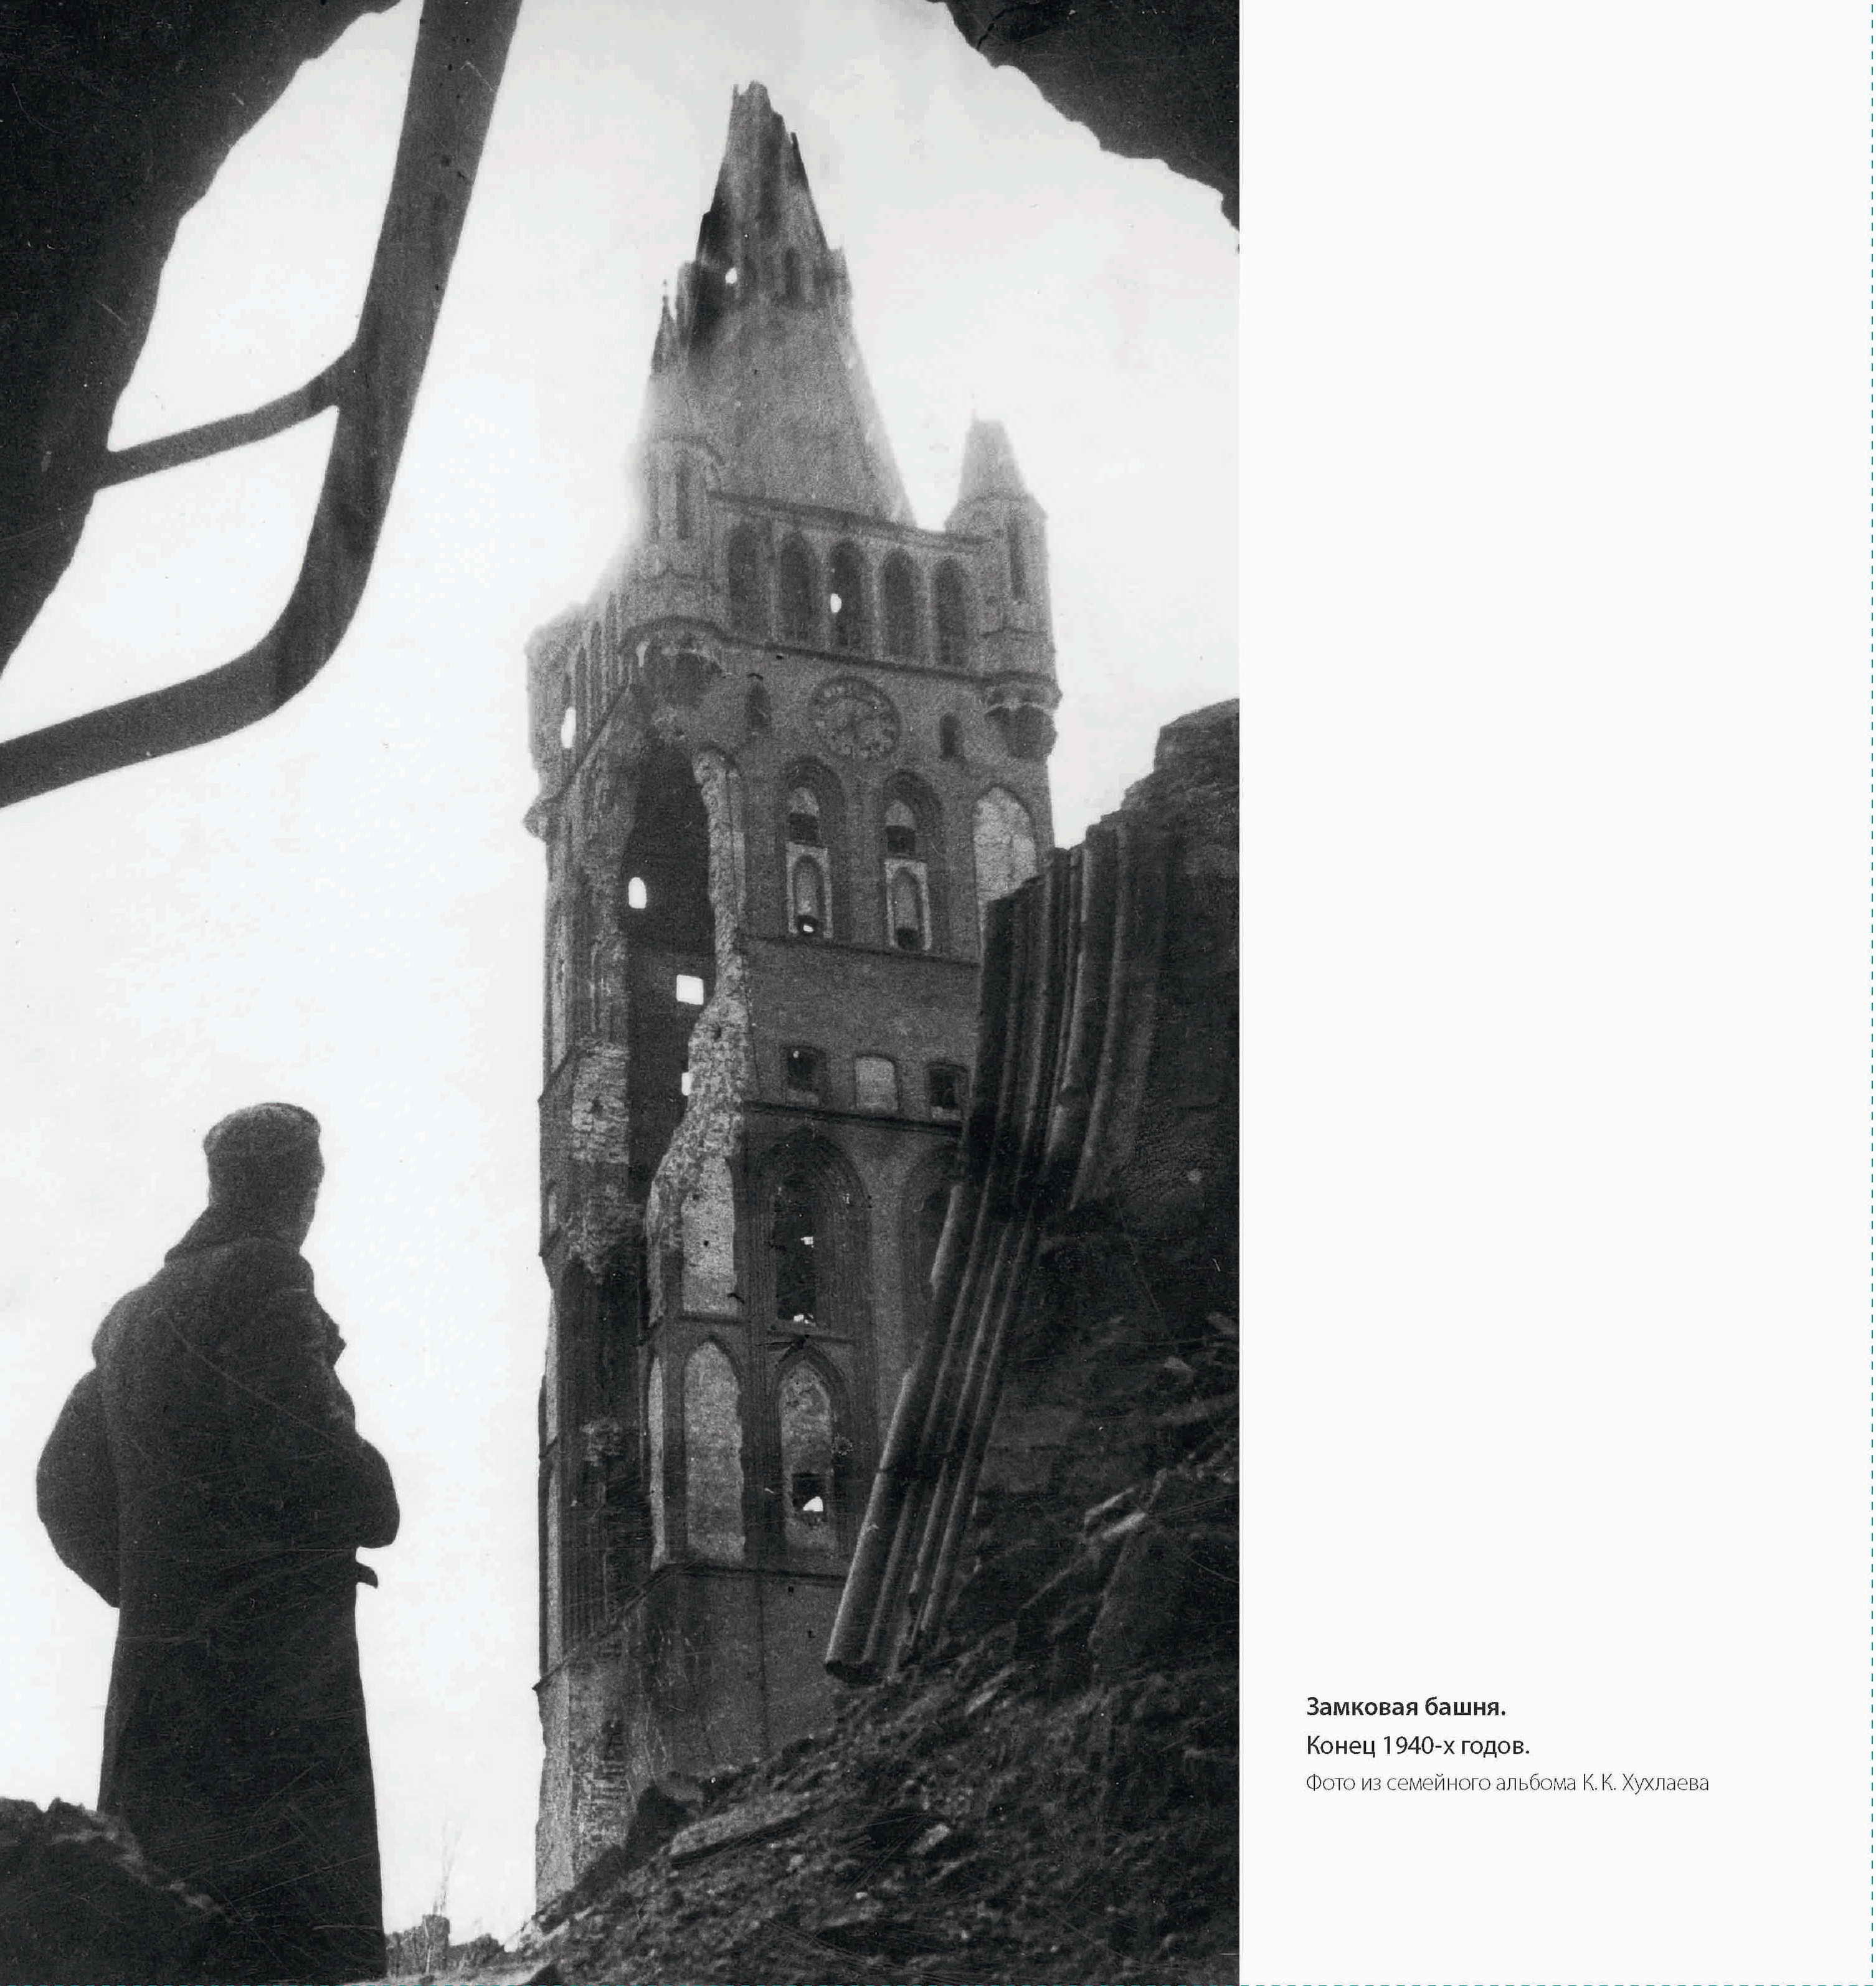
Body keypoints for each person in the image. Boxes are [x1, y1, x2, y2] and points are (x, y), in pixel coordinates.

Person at [37, 1103, 399, 1984]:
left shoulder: (131, 1318)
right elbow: (309, 1446)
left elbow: (62, 1486)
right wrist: (372, 1496)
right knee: (292, 1945)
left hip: (159, 1690)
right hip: (270, 1687)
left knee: (163, 1934)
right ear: (300, 1188)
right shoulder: (264, 1276)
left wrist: (151, 1585)